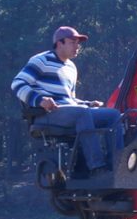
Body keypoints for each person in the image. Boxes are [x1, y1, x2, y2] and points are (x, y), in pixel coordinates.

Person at [12, 25, 124, 175]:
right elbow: (17, 84)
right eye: (73, 42)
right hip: (47, 114)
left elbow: (69, 99)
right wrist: (40, 100)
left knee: (113, 115)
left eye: (78, 43)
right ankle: (97, 167)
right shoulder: (41, 60)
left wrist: (88, 104)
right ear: (59, 43)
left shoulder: (71, 67)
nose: (77, 46)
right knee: (82, 114)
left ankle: (117, 166)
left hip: (69, 112)